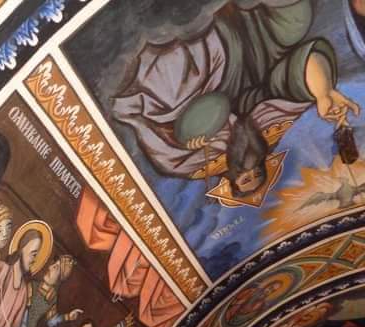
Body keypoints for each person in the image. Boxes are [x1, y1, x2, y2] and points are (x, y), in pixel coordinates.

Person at [111, 0, 360, 199]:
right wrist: (322, 93)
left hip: (214, 75)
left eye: (245, 179)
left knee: (175, 84)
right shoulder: (269, 127)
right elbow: (291, 81)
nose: (250, 170)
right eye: (257, 174)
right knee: (297, 21)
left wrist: (186, 141)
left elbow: (166, 149)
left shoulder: (198, 161)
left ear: (231, 177)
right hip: (259, 54)